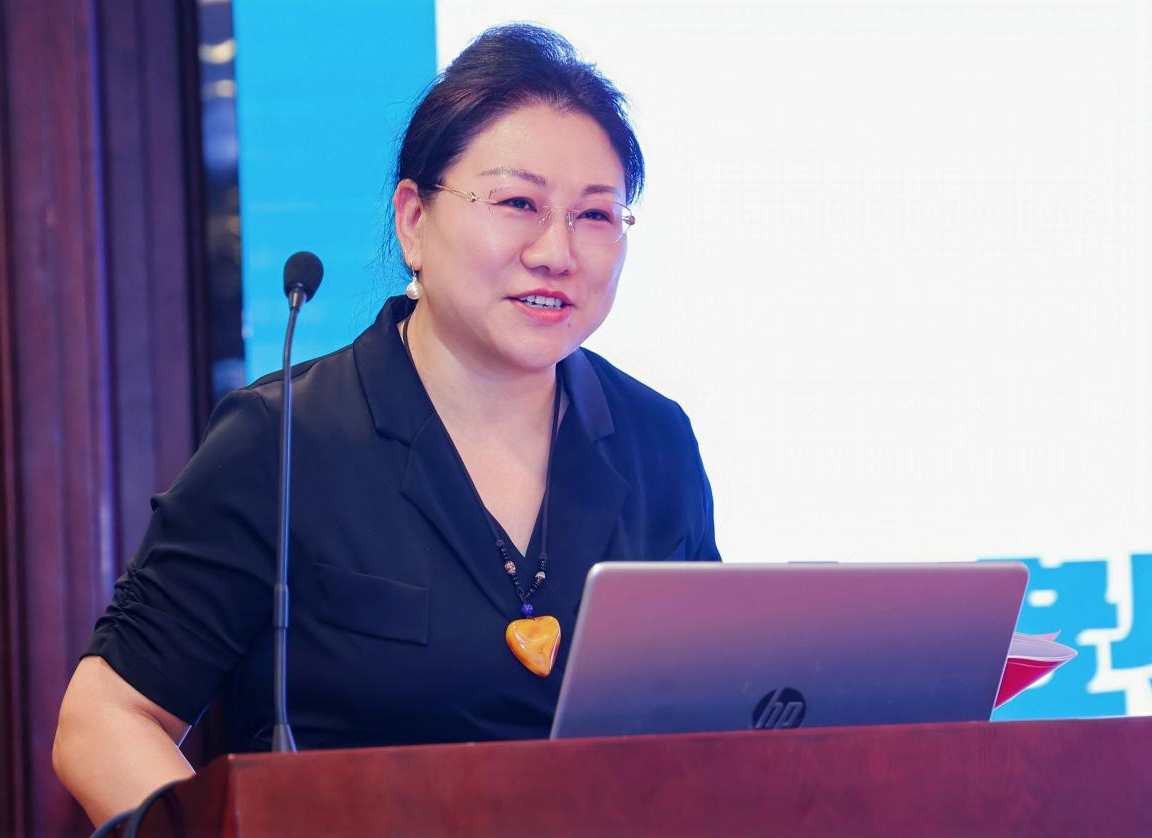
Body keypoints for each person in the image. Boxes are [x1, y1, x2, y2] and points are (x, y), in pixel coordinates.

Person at [53, 22, 720, 826]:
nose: (556, 251)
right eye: (517, 203)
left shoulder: (654, 442)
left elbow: (714, 719)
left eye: (595, 215)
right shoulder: (283, 440)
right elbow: (106, 718)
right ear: (413, 221)